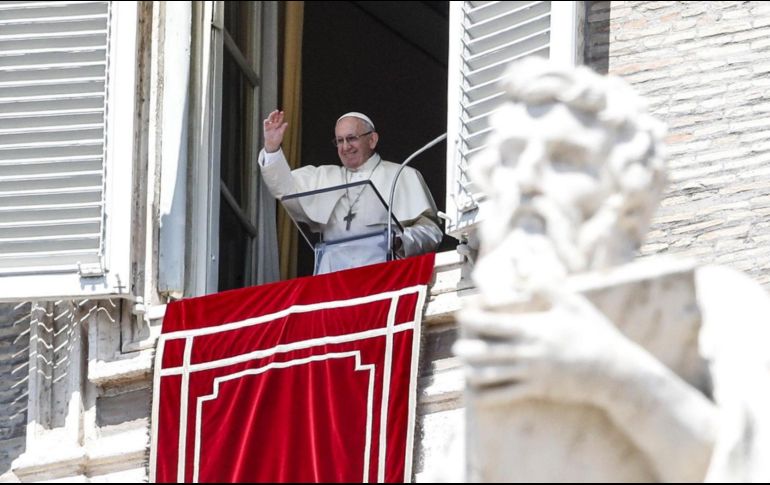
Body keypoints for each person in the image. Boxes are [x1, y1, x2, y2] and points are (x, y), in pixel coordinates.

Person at [450, 57, 770, 482]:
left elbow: (750, 465)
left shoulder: (718, 305)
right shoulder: (498, 348)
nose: (526, 179)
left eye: (563, 158)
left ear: (629, 193)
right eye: (510, 158)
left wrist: (611, 375)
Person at [259, 110, 442, 274]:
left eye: (352, 138)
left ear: (372, 140)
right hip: (332, 279)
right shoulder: (323, 176)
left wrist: (403, 240)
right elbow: (284, 188)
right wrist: (272, 148)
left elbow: (431, 232)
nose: (345, 147)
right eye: (339, 141)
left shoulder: (401, 175)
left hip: (382, 276)